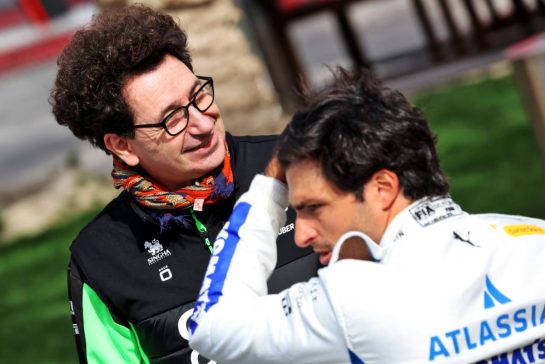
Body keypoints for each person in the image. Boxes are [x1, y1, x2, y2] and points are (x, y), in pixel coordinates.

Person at [188, 68, 545, 364]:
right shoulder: (534, 237)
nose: (301, 235)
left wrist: (269, 191)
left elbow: (211, 325)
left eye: (314, 207)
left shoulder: (349, 298)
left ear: (382, 189)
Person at [50, 4, 320, 363]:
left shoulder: (298, 164)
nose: (203, 124)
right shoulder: (100, 259)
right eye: (173, 118)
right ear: (122, 145)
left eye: (199, 96)